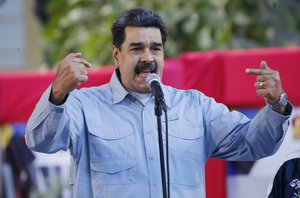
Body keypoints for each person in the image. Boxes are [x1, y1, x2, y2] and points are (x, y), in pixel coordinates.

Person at [25, 7, 293, 198]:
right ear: (116, 55)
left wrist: (277, 104)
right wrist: (58, 93)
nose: (148, 57)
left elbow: (253, 143)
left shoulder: (195, 107)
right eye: (136, 48)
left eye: (155, 48)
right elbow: (40, 140)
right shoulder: (84, 105)